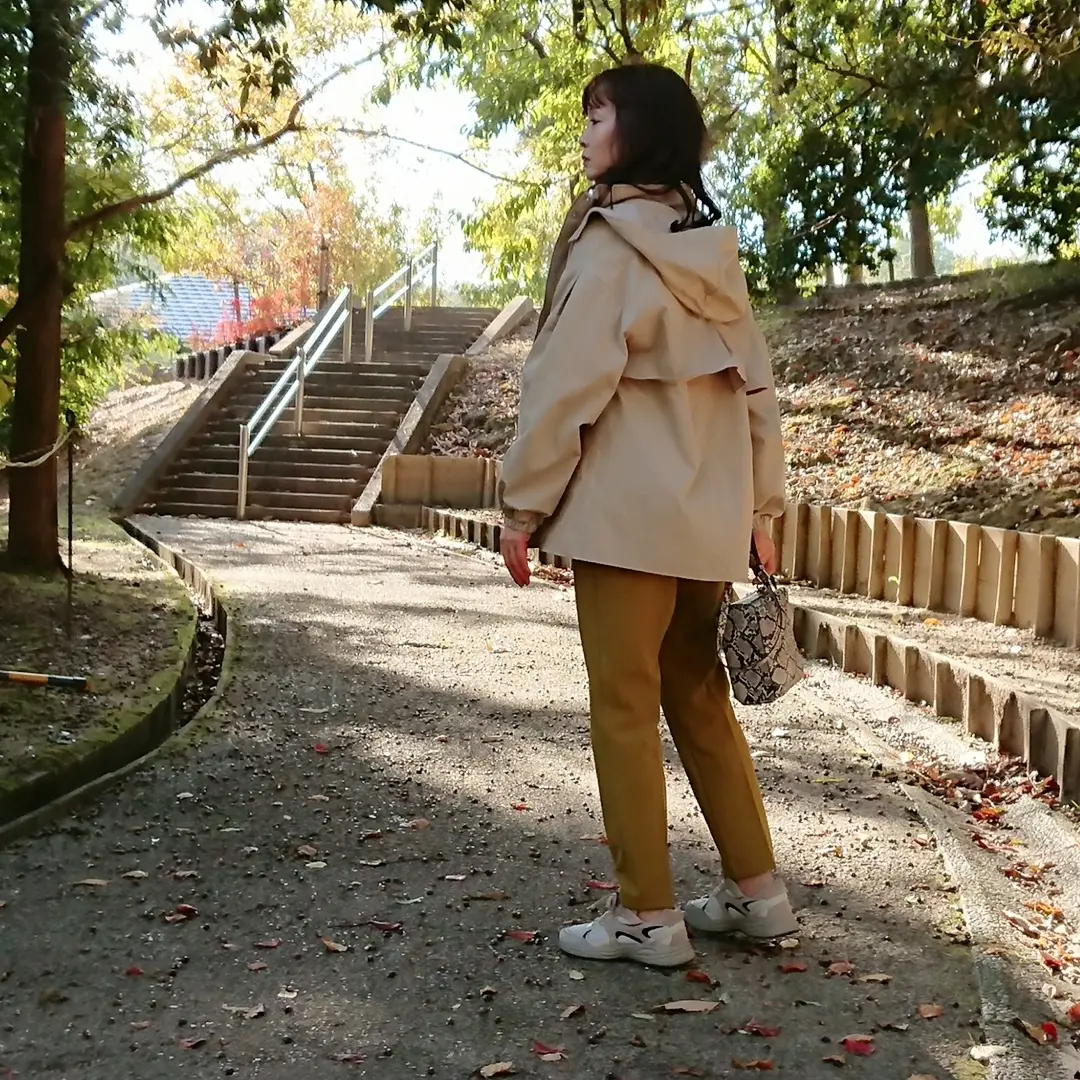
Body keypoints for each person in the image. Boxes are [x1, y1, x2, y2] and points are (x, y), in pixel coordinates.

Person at [496, 62, 798, 967]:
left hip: (626, 524)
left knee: (623, 708)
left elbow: (561, 390)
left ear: (640, 130)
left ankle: (645, 916)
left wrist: (521, 505)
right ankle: (759, 893)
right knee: (699, 696)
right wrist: (761, 507)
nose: (585, 133)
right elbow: (757, 392)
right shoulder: (710, 249)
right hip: (705, 522)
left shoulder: (608, 248)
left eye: (599, 115)